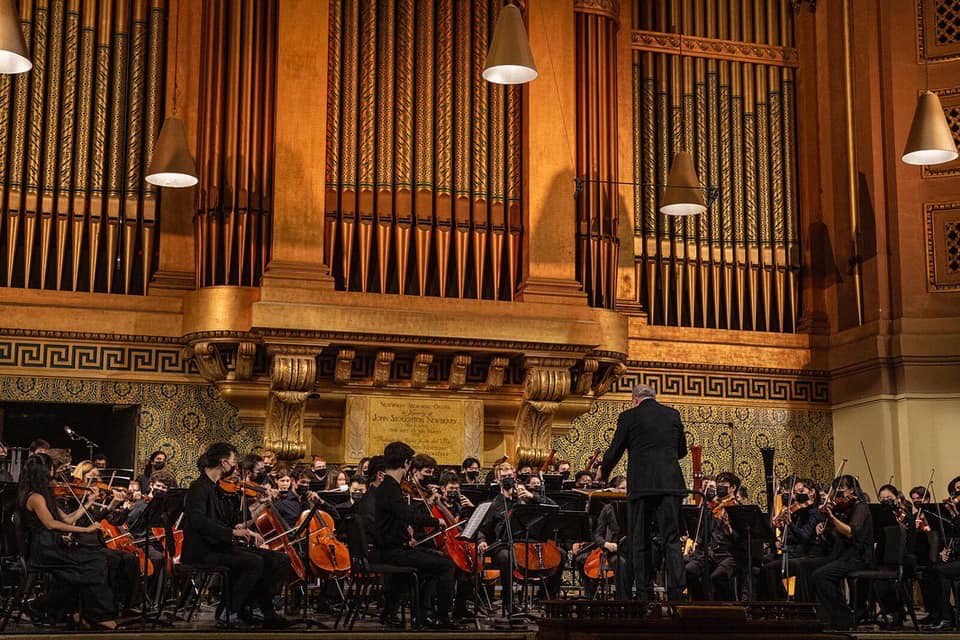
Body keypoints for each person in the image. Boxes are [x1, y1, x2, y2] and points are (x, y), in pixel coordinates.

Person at [181, 442, 291, 628]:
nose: (235, 467)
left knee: (279, 559)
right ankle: (229, 611)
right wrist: (233, 532)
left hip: (220, 546)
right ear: (223, 463)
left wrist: (261, 504)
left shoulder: (217, 489)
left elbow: (237, 522)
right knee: (254, 561)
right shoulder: (198, 487)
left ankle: (262, 610)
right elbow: (199, 522)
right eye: (233, 462)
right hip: (203, 550)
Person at [600, 383, 687, 601]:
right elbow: (682, 451)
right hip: (670, 485)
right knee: (672, 540)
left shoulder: (629, 416)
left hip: (642, 487)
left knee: (640, 541)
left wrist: (603, 473)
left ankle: (644, 594)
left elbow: (615, 450)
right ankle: (677, 594)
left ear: (635, 400)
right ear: (653, 397)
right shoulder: (673, 415)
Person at [18, 453, 118, 629]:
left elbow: (68, 519)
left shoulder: (45, 495)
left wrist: (89, 502)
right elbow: (51, 524)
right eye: (51, 469)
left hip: (52, 545)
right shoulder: (35, 497)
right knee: (94, 562)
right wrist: (86, 529)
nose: (55, 473)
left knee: (93, 561)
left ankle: (80, 612)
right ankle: (97, 614)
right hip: (44, 550)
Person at [374, 441, 456, 629]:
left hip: (391, 548)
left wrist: (407, 535)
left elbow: (396, 518)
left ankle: (418, 616)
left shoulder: (387, 486)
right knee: (446, 565)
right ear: (406, 463)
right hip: (392, 552)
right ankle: (442, 618)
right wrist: (436, 521)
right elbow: (407, 515)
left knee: (431, 564)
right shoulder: (391, 487)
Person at [812, 474, 874, 630]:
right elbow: (834, 538)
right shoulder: (843, 509)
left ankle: (843, 617)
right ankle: (822, 616)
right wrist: (823, 530)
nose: (837, 493)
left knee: (822, 575)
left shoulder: (860, 507)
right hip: (842, 556)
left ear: (851, 490)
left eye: (841, 488)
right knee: (810, 569)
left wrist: (832, 518)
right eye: (836, 489)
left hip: (858, 557)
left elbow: (850, 532)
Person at [758, 477, 825, 600]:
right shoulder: (799, 511)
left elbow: (804, 537)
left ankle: (779, 602)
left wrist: (790, 524)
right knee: (763, 563)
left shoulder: (814, 513)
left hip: (805, 554)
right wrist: (781, 533)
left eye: (801, 491)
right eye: (795, 492)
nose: (797, 495)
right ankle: (779, 600)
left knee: (770, 568)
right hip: (793, 552)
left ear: (812, 492)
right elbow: (793, 536)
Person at [576, 475, 631, 599]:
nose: (625, 491)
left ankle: (630, 600)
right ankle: (618, 600)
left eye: (627, 488)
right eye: (622, 488)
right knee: (619, 562)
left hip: (632, 550)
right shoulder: (608, 508)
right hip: (614, 550)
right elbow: (598, 534)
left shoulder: (635, 507)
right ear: (614, 490)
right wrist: (606, 544)